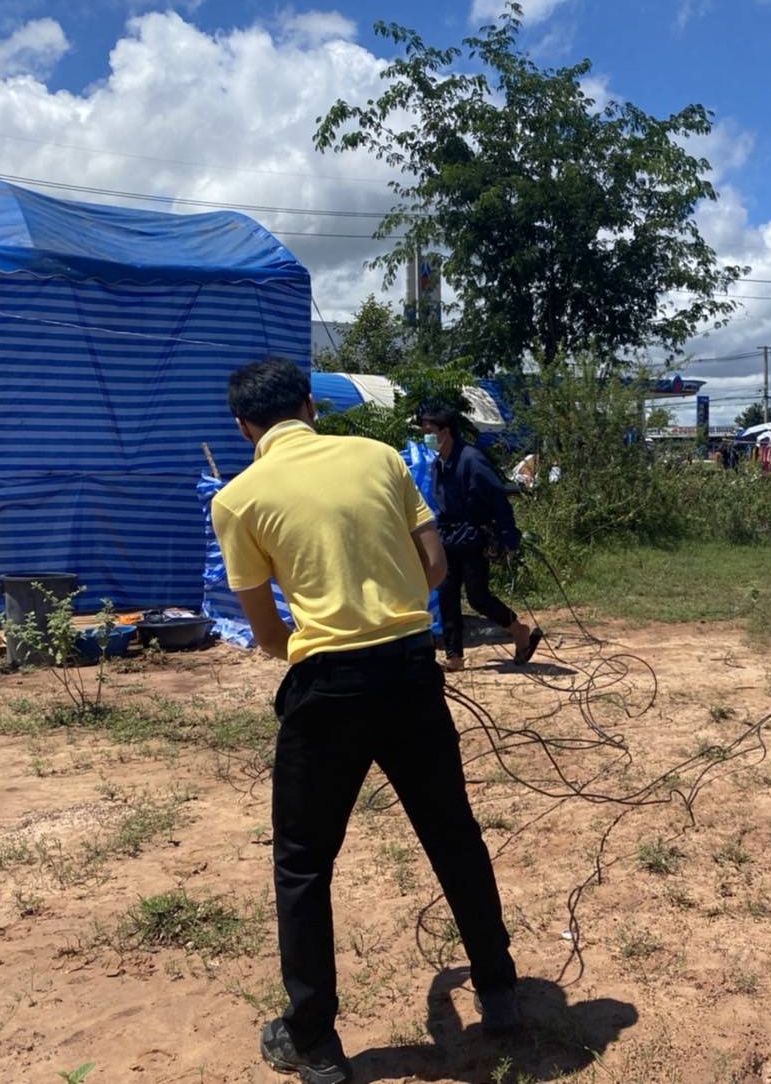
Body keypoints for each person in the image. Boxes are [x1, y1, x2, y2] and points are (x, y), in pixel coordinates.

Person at [211, 359, 520, 1084]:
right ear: (310, 407)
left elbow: (265, 632)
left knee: (303, 864)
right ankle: (500, 990)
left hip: (327, 689)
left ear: (244, 427)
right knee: (452, 833)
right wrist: (388, 611)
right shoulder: (380, 457)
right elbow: (435, 566)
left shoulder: (238, 498)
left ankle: (315, 1041)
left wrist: (328, 646)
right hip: (411, 672)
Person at [419, 404, 543, 672]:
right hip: (448, 537)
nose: (425, 436)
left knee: (478, 597)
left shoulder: (472, 460)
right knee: (446, 594)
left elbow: (498, 498)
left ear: (445, 431)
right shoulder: (438, 463)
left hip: (474, 536)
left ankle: (518, 630)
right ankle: (454, 656)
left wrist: (508, 537)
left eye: (429, 430)